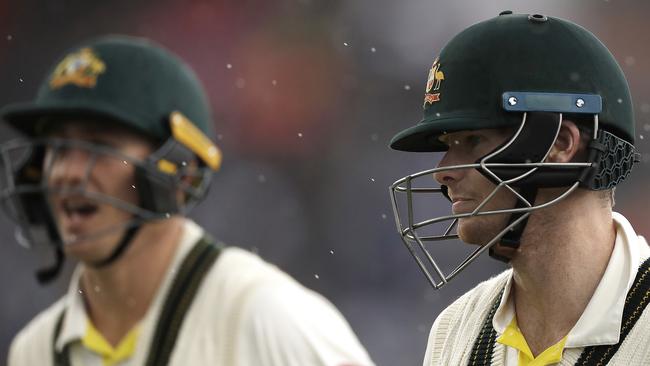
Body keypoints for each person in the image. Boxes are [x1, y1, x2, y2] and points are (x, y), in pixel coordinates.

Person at [3, 35, 374, 366]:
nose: (66, 172)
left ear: (178, 171)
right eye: (57, 148)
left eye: (99, 145)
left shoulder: (264, 315)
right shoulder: (33, 350)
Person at [388, 12, 649, 365]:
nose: (442, 172)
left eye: (472, 139)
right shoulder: (455, 329)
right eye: (447, 144)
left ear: (559, 143)